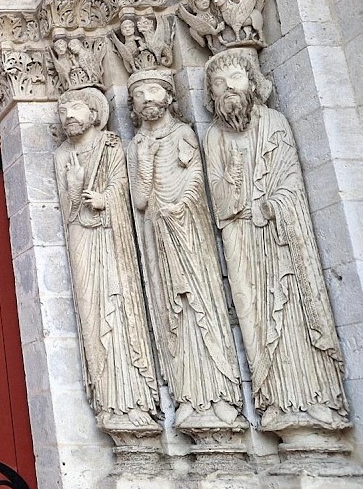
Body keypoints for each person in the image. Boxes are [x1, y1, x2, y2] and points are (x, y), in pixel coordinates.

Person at [203, 49, 350, 434]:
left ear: (253, 83)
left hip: (279, 238)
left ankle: (314, 398)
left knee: (291, 314)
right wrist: (232, 186)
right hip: (241, 238)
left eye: (234, 80)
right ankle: (275, 399)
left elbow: (290, 185)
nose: (227, 89)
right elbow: (215, 196)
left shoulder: (275, 124)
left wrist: (270, 207)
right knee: (254, 315)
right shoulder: (214, 137)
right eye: (218, 85)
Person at [127, 70, 243, 430]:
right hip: (158, 241)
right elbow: (140, 200)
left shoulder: (183, 134)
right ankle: (189, 398)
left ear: (168, 96)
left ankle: (220, 395)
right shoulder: (135, 147)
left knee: (201, 303)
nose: (146, 98)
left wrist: (183, 204)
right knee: (170, 314)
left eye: (153, 90)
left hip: (191, 236)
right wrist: (145, 166)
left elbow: (195, 179)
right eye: (138, 93)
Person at [53, 88, 161, 434]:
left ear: (94, 112)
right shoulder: (62, 156)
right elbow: (69, 211)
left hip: (112, 238)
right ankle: (110, 399)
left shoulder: (113, 145)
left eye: (76, 107)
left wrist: (104, 198)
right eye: (63, 108)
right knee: (91, 309)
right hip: (82, 238)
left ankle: (134, 404)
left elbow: (128, 189)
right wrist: (74, 187)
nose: (68, 113)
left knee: (118, 305)